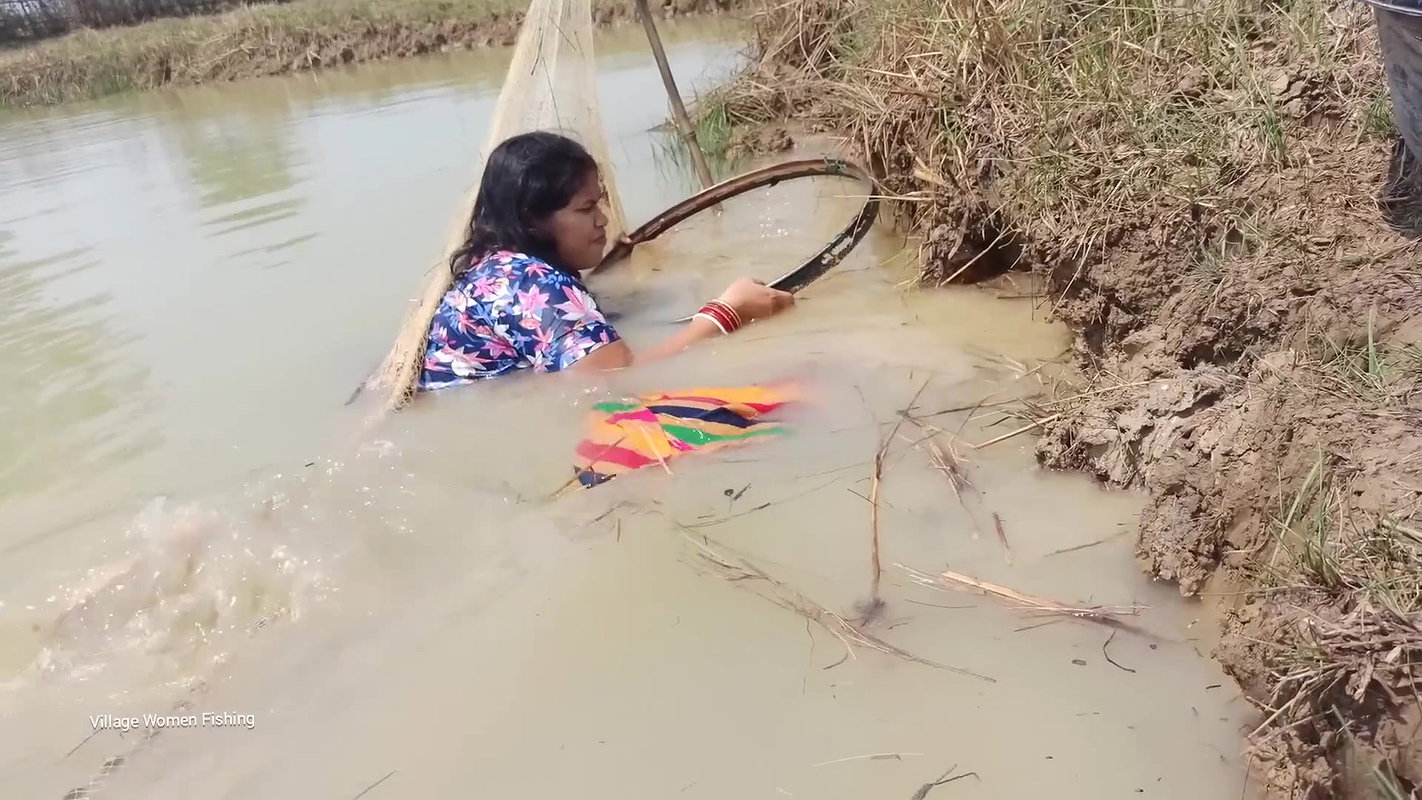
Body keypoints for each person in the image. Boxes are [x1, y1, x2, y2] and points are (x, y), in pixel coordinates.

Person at [419, 131, 795, 391]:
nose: (602, 219)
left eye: (598, 203)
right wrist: (725, 313)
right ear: (533, 219)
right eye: (586, 209)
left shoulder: (492, 264)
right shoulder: (536, 285)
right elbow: (616, 378)